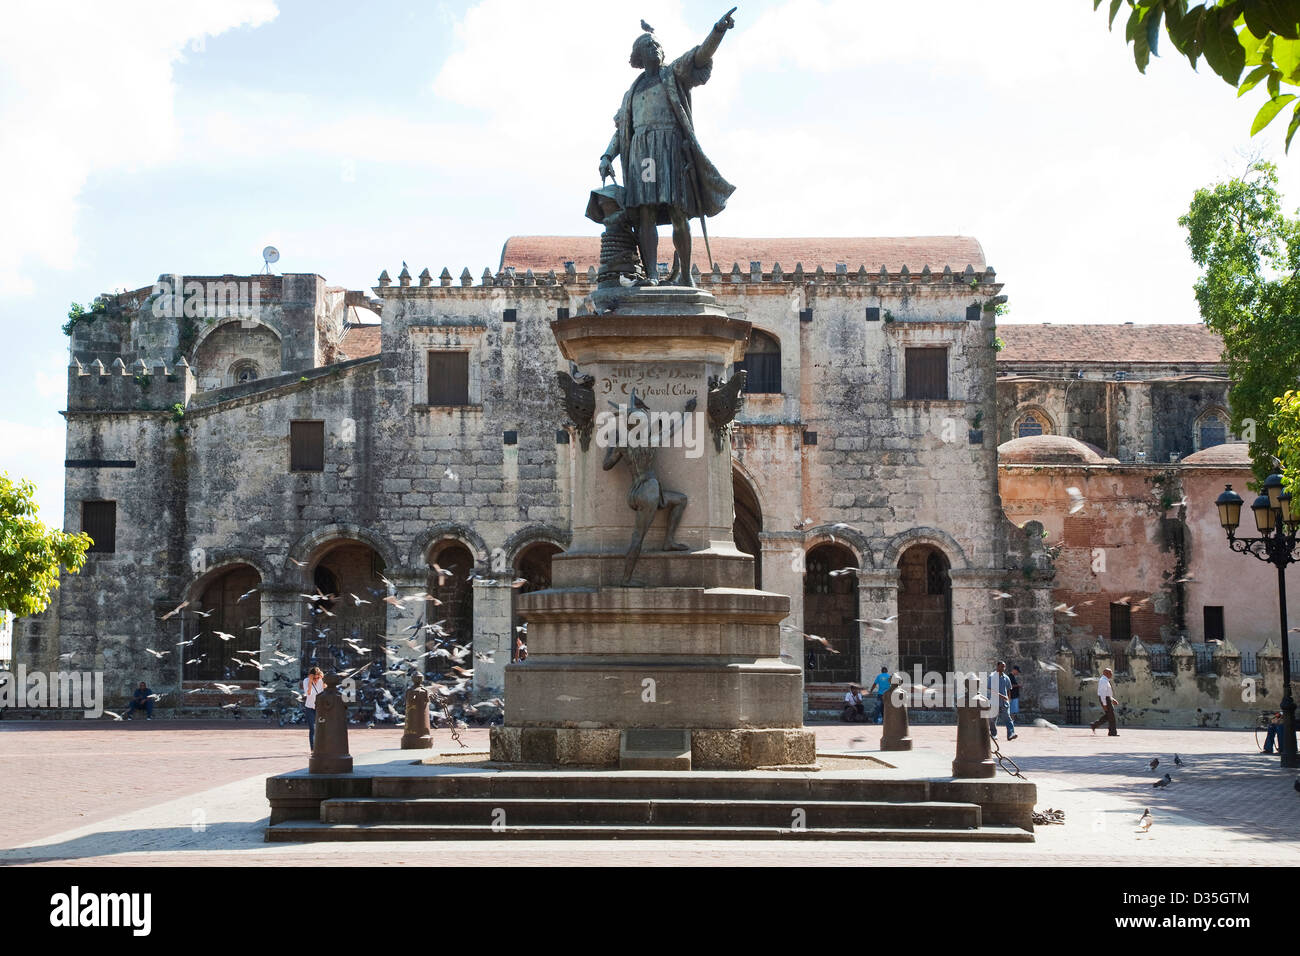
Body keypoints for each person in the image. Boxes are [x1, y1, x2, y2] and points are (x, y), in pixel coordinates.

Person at [598, 9, 737, 286]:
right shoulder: (632, 93)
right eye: (650, 45)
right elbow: (623, 129)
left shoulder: (673, 74)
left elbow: (700, 56)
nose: (656, 48)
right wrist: (607, 155)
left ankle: (685, 275)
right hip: (643, 156)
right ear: (639, 55)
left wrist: (717, 31)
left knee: (678, 210)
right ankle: (651, 274)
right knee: (645, 211)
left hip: (670, 150)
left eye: (658, 45)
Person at [987, 661, 1017, 740]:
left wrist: (1008, 699)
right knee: (992, 719)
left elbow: (1008, 689)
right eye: (1001, 666)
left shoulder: (1006, 677)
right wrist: (1001, 696)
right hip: (994, 702)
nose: (1003, 668)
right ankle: (994, 734)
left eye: (1004, 667)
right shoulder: (992, 676)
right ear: (997, 666)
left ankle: (1011, 734)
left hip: (1004, 703)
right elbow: (990, 689)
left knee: (1008, 718)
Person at [1090, 666, 1119, 736]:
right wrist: (1104, 704)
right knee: (1111, 717)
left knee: (1108, 716)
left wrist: (1112, 699)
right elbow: (1102, 693)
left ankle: (1094, 725)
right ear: (1106, 673)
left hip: (1107, 698)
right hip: (1105, 699)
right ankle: (1112, 732)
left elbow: (1107, 693)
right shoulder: (1103, 680)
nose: (1111, 675)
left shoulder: (1105, 680)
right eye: (1110, 673)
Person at [303, 666, 324, 751]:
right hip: (310, 707)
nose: (316, 679)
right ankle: (313, 749)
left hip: (319, 708)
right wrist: (310, 682)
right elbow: (309, 694)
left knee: (321, 728)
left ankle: (321, 747)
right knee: (312, 728)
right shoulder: (306, 681)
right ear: (310, 676)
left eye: (317, 678)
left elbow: (323, 694)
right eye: (314, 678)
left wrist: (323, 684)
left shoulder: (320, 681)